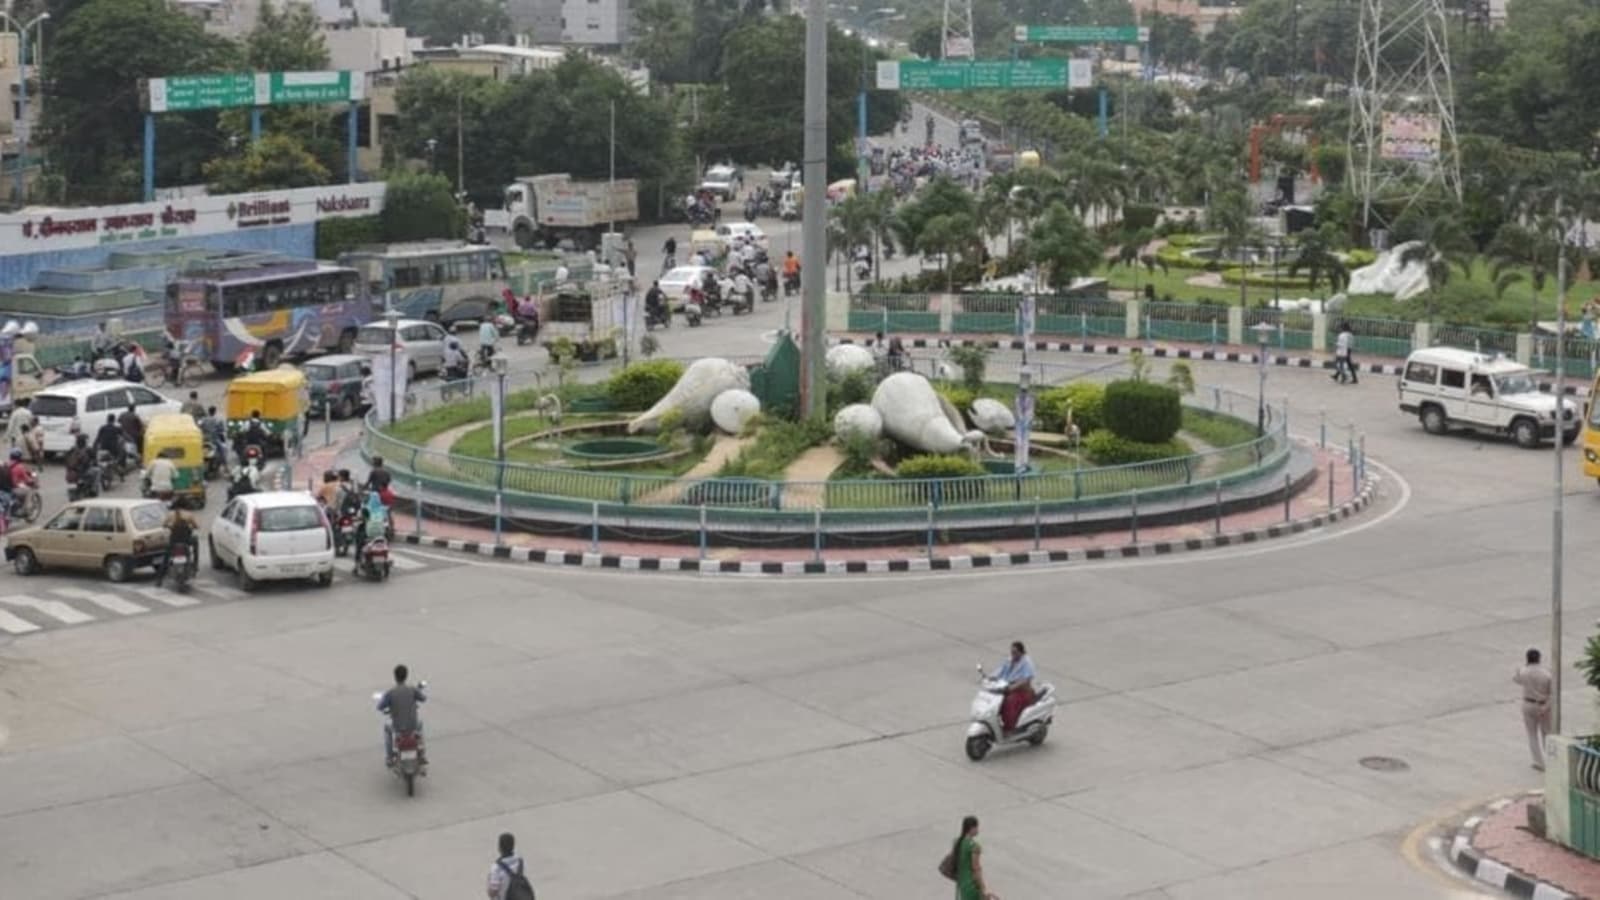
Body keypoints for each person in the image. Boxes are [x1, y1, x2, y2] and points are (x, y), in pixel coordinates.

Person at [377, 664, 427, 766]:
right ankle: (422, 753)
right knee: (420, 725)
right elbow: (423, 698)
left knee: (387, 729)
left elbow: (380, 707)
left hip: (398, 727)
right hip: (412, 725)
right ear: (406, 676)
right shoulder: (412, 689)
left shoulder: (390, 693)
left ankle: (390, 757)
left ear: (395, 677)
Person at [1515, 648, 1553, 771]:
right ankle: (1551, 761)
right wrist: (1546, 707)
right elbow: (1552, 693)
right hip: (1543, 705)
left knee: (1532, 734)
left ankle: (1538, 762)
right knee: (1546, 734)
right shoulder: (1546, 674)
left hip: (1528, 703)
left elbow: (1516, 679)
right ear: (1539, 658)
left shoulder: (1523, 671)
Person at [994, 640, 1036, 734]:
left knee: (1009, 702)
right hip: (1008, 689)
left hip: (1023, 692)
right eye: (1012, 652)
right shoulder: (1009, 660)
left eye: (1015, 652)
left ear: (1021, 652)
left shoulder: (1026, 662)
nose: (1013, 654)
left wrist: (1012, 687)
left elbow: (1026, 680)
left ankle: (1010, 728)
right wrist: (989, 679)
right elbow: (999, 671)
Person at [156, 501, 199, 587]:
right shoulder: (189, 515)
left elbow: (164, 525)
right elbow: (196, 526)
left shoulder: (170, 514)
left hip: (174, 541)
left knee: (166, 558)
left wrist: (170, 526)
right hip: (186, 541)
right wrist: (191, 526)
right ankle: (195, 564)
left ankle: (159, 580)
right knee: (196, 542)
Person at [952, 815, 994, 900]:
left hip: (962, 884)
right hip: (972, 885)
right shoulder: (974, 847)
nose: (978, 830)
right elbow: (976, 868)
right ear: (971, 828)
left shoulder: (956, 842)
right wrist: (983, 887)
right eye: (976, 827)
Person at [486, 832, 533, 900]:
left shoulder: (497, 868)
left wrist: (488, 885)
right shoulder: (520, 861)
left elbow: (493, 892)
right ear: (513, 846)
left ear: (499, 848)